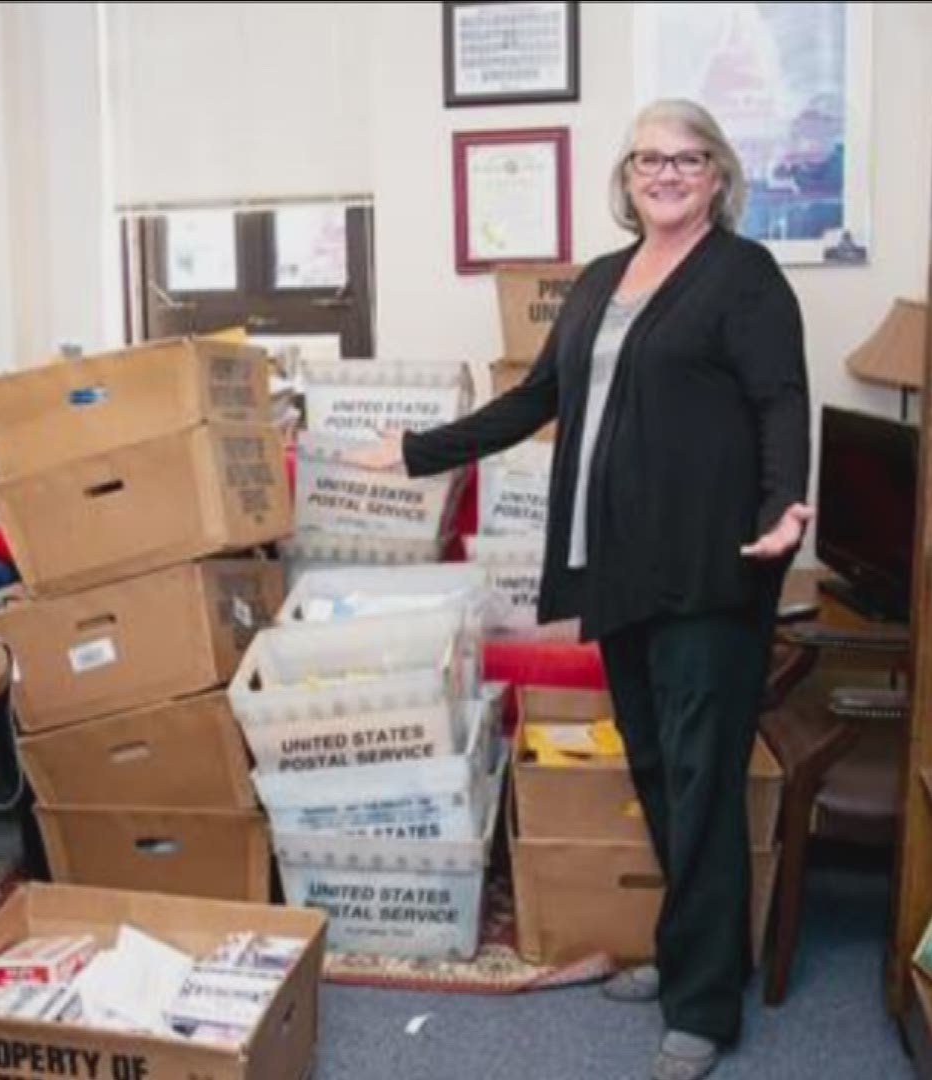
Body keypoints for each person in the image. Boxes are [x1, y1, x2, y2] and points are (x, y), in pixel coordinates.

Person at [347, 98, 811, 1080]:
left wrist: (785, 507)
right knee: (653, 766)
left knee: (700, 781)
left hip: (715, 564)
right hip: (623, 562)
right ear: (628, 176)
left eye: (687, 159)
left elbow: (780, 397)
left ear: (719, 175)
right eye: (650, 158)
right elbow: (533, 400)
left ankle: (702, 1007)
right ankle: (695, 953)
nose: (667, 173)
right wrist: (421, 450)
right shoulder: (602, 280)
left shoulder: (744, 276)